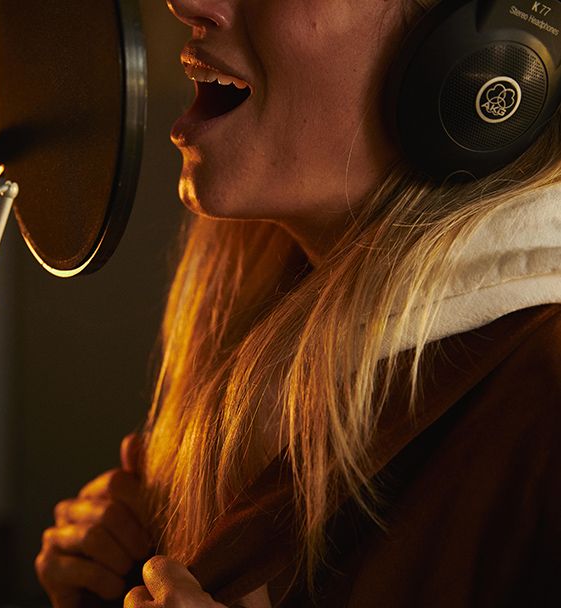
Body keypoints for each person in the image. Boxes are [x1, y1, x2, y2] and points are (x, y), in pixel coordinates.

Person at [36, 0, 561, 605]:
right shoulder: (269, 339)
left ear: (490, 45)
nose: (186, 3)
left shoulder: (543, 401)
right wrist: (112, 574)